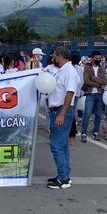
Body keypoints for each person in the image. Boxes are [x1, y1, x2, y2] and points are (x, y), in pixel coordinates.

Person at [46, 47, 79, 189]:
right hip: (56, 110)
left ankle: (63, 179)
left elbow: (70, 93)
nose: (54, 59)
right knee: (62, 145)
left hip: (61, 111)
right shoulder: (63, 70)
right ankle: (64, 175)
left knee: (56, 146)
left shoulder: (70, 71)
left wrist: (62, 114)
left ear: (60, 56)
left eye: (55, 56)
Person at [81, 50, 107, 142]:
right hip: (90, 94)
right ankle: (84, 133)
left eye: (99, 58)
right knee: (87, 114)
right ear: (92, 58)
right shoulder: (87, 68)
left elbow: (105, 81)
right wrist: (99, 84)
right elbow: (86, 81)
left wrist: (93, 78)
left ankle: (95, 132)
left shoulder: (102, 68)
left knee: (98, 114)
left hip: (100, 94)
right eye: (96, 58)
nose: (98, 59)